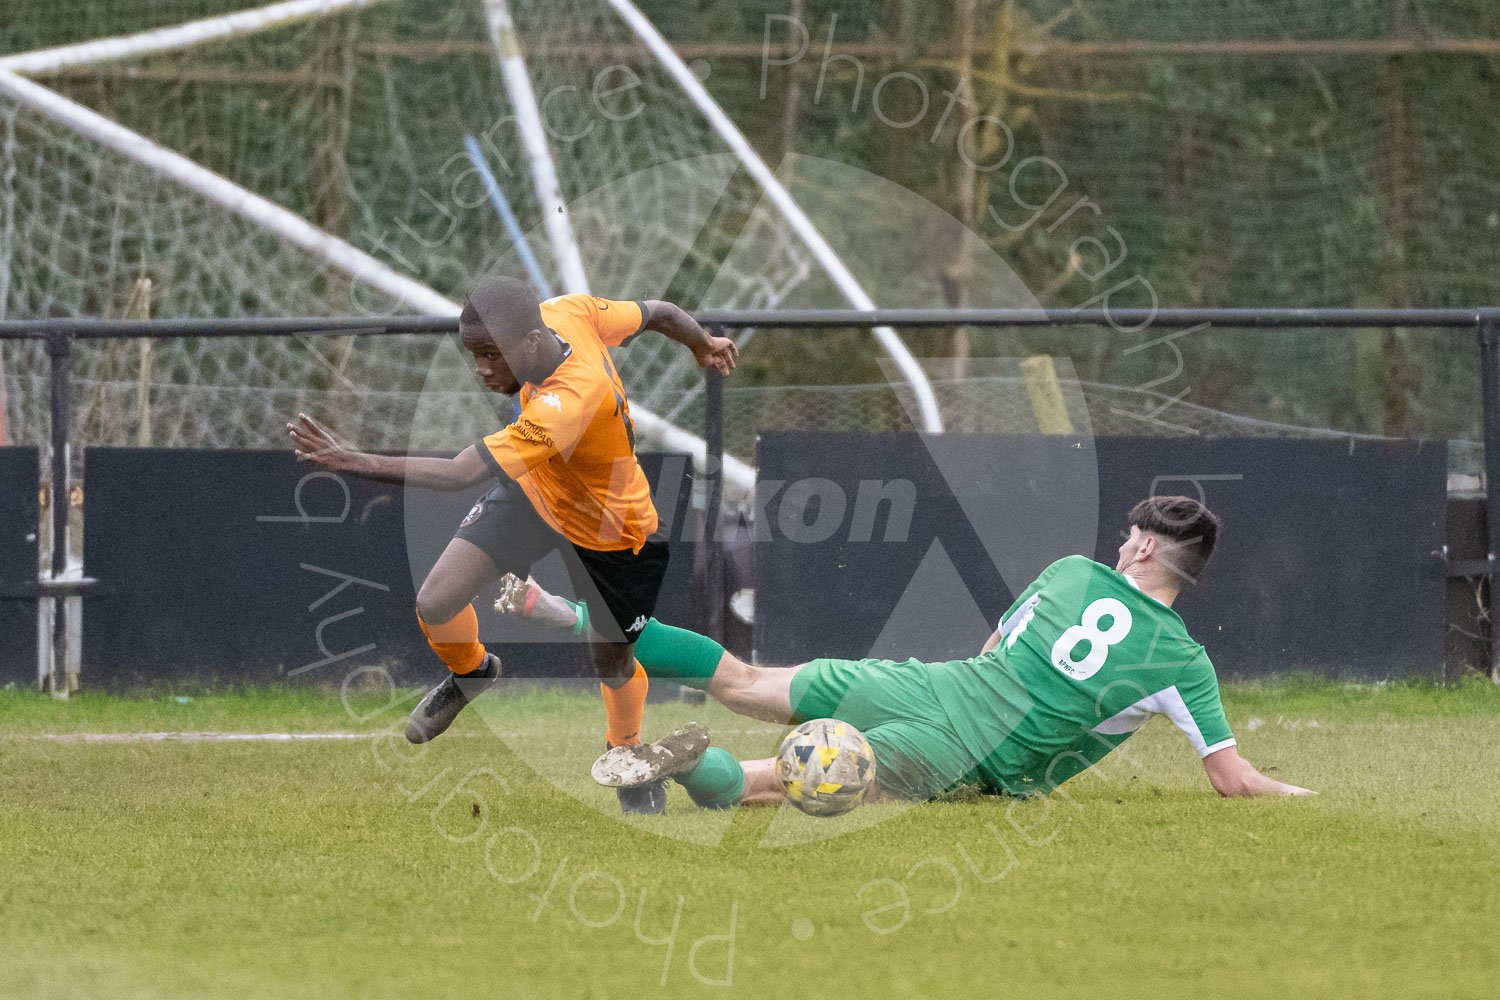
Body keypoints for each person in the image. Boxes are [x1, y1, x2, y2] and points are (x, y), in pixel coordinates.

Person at [503, 495, 1316, 807]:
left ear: (1142, 553)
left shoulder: (1072, 571)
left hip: (934, 683)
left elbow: (997, 642)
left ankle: (578, 614)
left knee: (746, 680)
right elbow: (1230, 778)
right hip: (968, 752)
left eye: (1131, 536)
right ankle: (686, 766)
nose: (1122, 543)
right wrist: (1297, 795)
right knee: (785, 779)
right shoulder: (1183, 663)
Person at [287, 275, 738, 814]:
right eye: (473, 354)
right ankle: (473, 671)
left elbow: (460, 473)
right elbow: (660, 310)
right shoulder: (569, 312)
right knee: (435, 601)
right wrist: (701, 343)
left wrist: (351, 460)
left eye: (490, 356)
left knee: (612, 657)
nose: (482, 370)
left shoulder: (571, 397)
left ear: (529, 342)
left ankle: (628, 757)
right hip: (537, 493)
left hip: (613, 529)